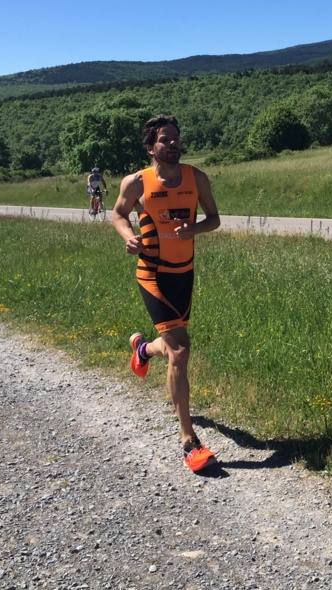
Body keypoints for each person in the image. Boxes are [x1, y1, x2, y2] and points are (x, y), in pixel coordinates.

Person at [109, 115, 221, 472]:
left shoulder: (196, 178)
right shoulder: (136, 182)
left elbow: (214, 218)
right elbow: (117, 213)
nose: (172, 144)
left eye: (176, 138)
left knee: (169, 346)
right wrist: (127, 235)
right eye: (164, 139)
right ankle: (189, 441)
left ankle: (143, 349)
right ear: (150, 148)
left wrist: (196, 229)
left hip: (183, 275)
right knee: (181, 349)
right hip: (152, 274)